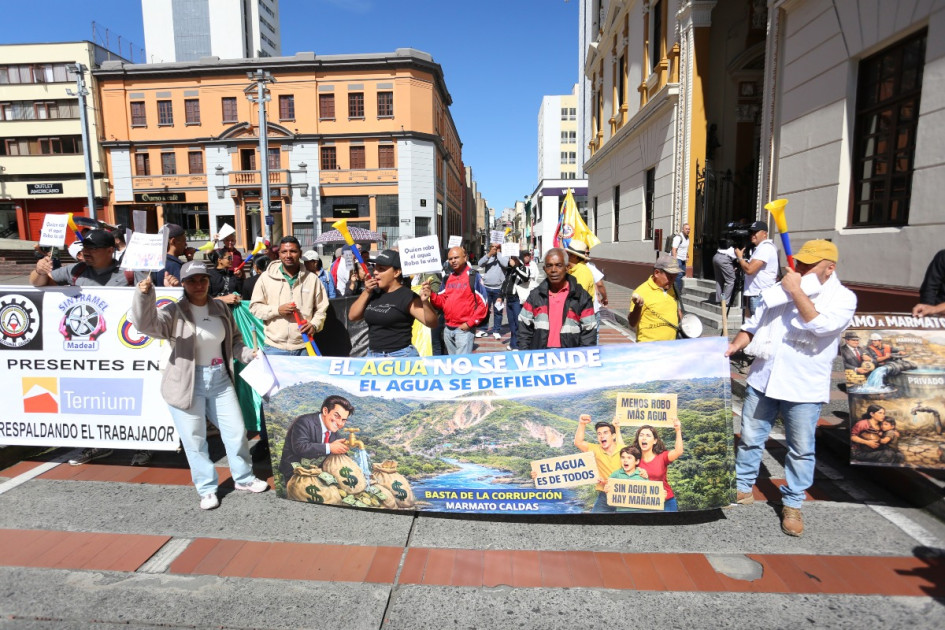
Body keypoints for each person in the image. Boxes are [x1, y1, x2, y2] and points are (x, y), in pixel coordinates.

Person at [726, 239, 857, 537]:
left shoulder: (843, 298)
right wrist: (733, 346)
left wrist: (796, 291)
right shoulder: (780, 290)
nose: (801, 268)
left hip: (803, 388)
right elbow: (753, 324)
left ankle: (793, 502)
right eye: (800, 263)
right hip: (763, 378)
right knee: (749, 437)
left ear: (829, 268)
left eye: (809, 265)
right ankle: (743, 486)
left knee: (800, 449)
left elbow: (821, 327)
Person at [131, 261, 268, 510]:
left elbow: (235, 341)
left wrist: (249, 354)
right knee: (194, 439)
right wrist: (144, 295)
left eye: (202, 279)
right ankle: (206, 489)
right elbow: (145, 325)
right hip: (186, 382)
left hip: (220, 379)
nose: (198, 285)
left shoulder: (220, 308)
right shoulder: (174, 311)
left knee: (236, 432)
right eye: (192, 280)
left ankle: (244, 478)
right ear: (183, 284)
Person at [348, 249, 438, 357]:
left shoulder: (407, 296)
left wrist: (425, 302)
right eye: (375, 268)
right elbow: (352, 316)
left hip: (400, 356)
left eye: (381, 269)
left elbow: (432, 323)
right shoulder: (374, 292)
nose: (375, 272)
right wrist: (366, 292)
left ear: (396, 272)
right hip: (372, 355)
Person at [250, 235, 329, 356]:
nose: (288, 255)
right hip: (274, 348)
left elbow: (321, 309)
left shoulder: (312, 279)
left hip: (305, 347)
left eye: (293, 251)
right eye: (284, 252)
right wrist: (277, 310)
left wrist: (314, 325)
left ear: (300, 253)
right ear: (279, 254)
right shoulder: (266, 278)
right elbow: (255, 307)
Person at [518, 248, 597, 350]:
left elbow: (589, 333)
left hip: (570, 357)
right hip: (541, 356)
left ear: (567, 267)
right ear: (544, 269)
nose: (553, 270)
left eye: (559, 265)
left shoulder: (581, 296)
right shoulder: (535, 296)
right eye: (549, 266)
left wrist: (582, 356)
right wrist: (525, 354)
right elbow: (524, 328)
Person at [278, 395, 354, 484]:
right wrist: (330, 447)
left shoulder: (334, 433)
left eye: (343, 420)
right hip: (295, 472)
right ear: (325, 411)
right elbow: (300, 447)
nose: (339, 423)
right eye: (336, 416)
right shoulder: (304, 421)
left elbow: (343, 455)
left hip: (318, 473)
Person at [428, 246, 488, 355]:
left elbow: (483, 304)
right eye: (450, 259)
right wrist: (431, 294)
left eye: (456, 257)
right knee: (453, 363)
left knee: (462, 363)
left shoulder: (473, 276)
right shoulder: (447, 278)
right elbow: (441, 302)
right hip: (448, 329)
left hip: (464, 330)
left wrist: (469, 324)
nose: (453, 261)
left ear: (465, 258)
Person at [573, 414, 624, 513]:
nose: (602, 436)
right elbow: (578, 442)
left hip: (623, 494)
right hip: (604, 496)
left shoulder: (623, 450)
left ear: (613, 436)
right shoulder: (595, 449)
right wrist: (582, 424)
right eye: (599, 434)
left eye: (605, 433)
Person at [628, 253, 683, 343]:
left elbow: (675, 309)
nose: (672, 281)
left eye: (675, 277)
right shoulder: (641, 291)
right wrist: (638, 307)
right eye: (670, 277)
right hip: (649, 347)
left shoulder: (673, 288)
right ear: (657, 273)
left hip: (671, 346)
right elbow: (632, 323)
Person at [634, 421, 684, 511]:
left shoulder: (662, 456)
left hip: (666, 502)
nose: (644, 438)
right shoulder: (634, 459)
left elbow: (678, 451)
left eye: (648, 435)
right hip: (643, 503)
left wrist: (678, 430)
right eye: (641, 435)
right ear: (638, 439)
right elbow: (622, 450)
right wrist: (617, 428)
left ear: (654, 441)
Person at [735, 221, 779, 317]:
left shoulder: (765, 248)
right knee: (754, 322)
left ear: (764, 233)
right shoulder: (761, 248)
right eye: (751, 232)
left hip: (760, 294)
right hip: (757, 293)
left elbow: (749, 270)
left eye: (756, 232)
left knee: (758, 324)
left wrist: (740, 258)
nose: (753, 235)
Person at [497, 254, 530, 350]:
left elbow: (526, 277)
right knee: (511, 323)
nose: (512, 260)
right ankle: (513, 343)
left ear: (519, 260)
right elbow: (505, 283)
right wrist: (500, 296)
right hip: (509, 299)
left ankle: (519, 345)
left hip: (517, 300)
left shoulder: (524, 268)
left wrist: (515, 267)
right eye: (511, 258)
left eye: (514, 258)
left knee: (518, 323)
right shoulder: (509, 270)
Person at [476, 243, 509, 340]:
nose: (495, 248)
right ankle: (483, 329)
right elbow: (480, 264)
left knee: (498, 311)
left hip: (499, 289)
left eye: (497, 247)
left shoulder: (504, 256)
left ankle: (496, 330)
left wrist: (498, 254)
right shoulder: (488, 256)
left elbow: (505, 264)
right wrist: (489, 254)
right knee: (485, 310)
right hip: (486, 287)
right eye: (493, 247)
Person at [607, 445, 650, 513]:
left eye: (629, 458)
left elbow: (649, 493)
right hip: (621, 511)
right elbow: (609, 490)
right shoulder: (616, 474)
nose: (625, 460)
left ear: (637, 461)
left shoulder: (642, 475)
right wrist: (607, 490)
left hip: (640, 511)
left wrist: (660, 495)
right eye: (623, 457)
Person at [912, 249, 945, 317]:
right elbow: (929, 288)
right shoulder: (942, 256)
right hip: (938, 316)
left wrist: (935, 309)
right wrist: (927, 310)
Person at [712, 238, 738, 305]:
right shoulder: (735, 247)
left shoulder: (725, 245)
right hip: (724, 259)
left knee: (719, 281)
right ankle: (725, 302)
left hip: (716, 257)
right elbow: (737, 258)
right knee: (731, 281)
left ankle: (718, 300)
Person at [671, 223, 691, 297]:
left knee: (682, 274)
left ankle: (675, 289)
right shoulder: (678, 238)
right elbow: (674, 249)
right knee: (678, 275)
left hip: (683, 259)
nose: (688, 230)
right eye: (686, 229)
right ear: (683, 229)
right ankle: (677, 292)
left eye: (689, 229)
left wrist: (687, 256)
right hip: (678, 259)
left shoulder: (687, 238)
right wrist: (675, 260)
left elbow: (685, 248)